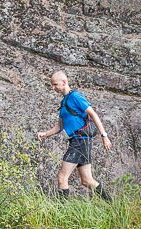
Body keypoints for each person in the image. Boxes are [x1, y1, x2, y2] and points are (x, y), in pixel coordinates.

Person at [36, 71, 113, 200]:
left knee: (62, 177)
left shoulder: (75, 97)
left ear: (64, 82)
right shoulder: (64, 103)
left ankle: (61, 213)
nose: (53, 87)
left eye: (55, 84)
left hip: (80, 141)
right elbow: (59, 127)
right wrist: (45, 134)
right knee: (87, 181)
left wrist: (104, 135)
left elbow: (93, 114)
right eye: (52, 85)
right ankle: (111, 204)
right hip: (79, 142)